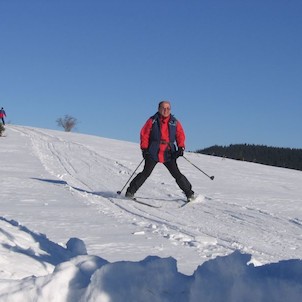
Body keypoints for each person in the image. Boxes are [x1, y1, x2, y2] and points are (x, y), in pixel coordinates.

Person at [126, 100, 195, 202]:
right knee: (146, 173)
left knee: (176, 174)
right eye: (163, 108)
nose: (165, 110)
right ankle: (130, 192)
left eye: (168, 108)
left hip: (168, 152)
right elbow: (144, 134)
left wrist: (181, 147)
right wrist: (144, 149)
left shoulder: (174, 122)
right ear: (159, 109)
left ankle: (190, 194)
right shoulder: (152, 120)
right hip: (153, 151)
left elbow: (180, 135)